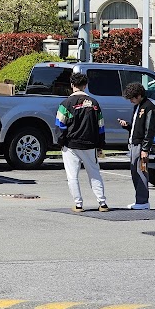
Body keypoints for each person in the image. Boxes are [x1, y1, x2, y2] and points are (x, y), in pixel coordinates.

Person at [55, 73, 110, 212]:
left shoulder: (65, 104)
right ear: (85, 86)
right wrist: (100, 145)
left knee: (72, 176)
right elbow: (101, 126)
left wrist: (61, 142)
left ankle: (78, 204)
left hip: (71, 145)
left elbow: (60, 125)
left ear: (72, 85)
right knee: (94, 173)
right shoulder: (94, 104)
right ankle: (102, 203)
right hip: (90, 144)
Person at [118, 82, 155, 210]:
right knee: (135, 173)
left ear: (139, 95)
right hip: (134, 143)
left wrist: (145, 149)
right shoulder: (138, 106)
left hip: (141, 145)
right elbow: (137, 126)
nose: (131, 101)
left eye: (132, 98)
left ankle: (143, 201)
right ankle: (140, 200)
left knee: (141, 172)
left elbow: (150, 130)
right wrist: (127, 125)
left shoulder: (149, 108)